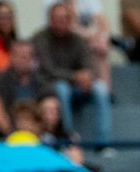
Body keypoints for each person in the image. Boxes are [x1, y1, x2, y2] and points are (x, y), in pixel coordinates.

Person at [34, 0, 108, 145]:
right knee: (62, 88)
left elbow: (89, 64)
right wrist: (75, 76)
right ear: (50, 19)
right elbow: (48, 70)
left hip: (78, 86)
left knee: (100, 88)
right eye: (58, 18)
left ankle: (103, 142)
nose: (62, 22)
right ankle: (67, 136)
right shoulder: (40, 38)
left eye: (65, 18)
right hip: (49, 86)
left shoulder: (77, 39)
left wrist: (87, 76)